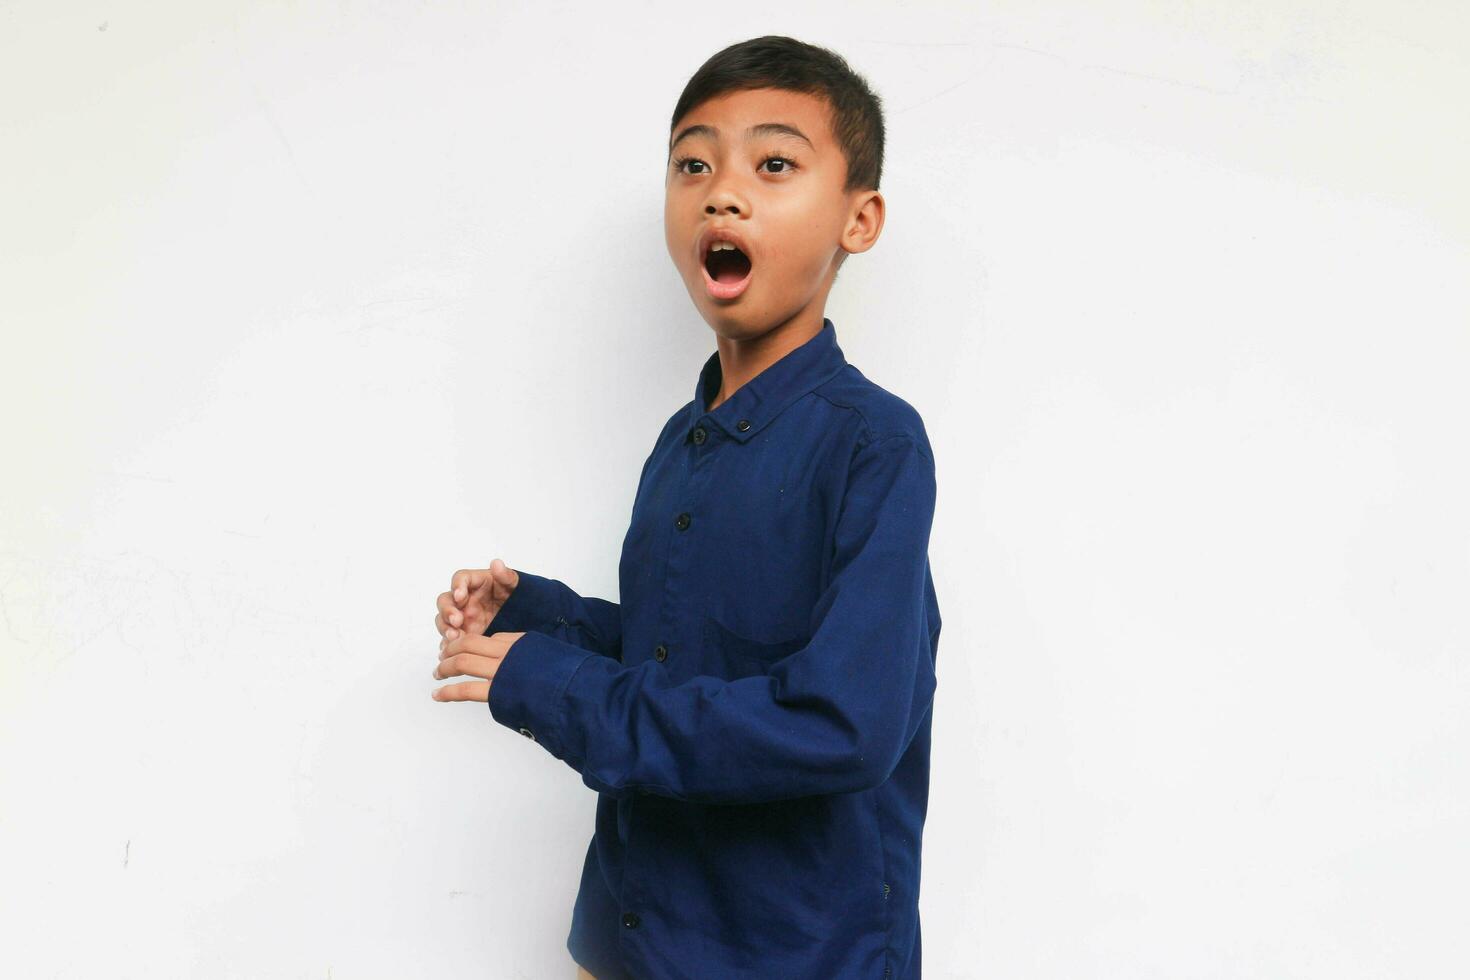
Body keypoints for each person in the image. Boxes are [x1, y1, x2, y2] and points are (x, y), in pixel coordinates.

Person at [432, 35, 941, 980]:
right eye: (693, 164)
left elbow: (839, 724)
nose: (723, 192)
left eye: (775, 163)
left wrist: (557, 687)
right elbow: (691, 656)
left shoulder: (875, 443)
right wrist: (539, 620)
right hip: (631, 931)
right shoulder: (681, 439)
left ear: (858, 219)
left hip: (788, 955)